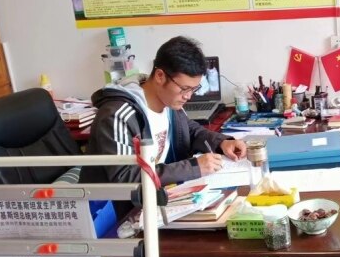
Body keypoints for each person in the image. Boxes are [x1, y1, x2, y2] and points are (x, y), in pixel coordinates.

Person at [81, 36, 246, 186]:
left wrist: (222, 142)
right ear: (160, 76)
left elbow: (189, 131)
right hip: (119, 206)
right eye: (184, 88)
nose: (188, 96)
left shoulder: (169, 104)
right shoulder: (117, 115)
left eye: (194, 89)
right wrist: (194, 168)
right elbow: (125, 177)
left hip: (163, 193)